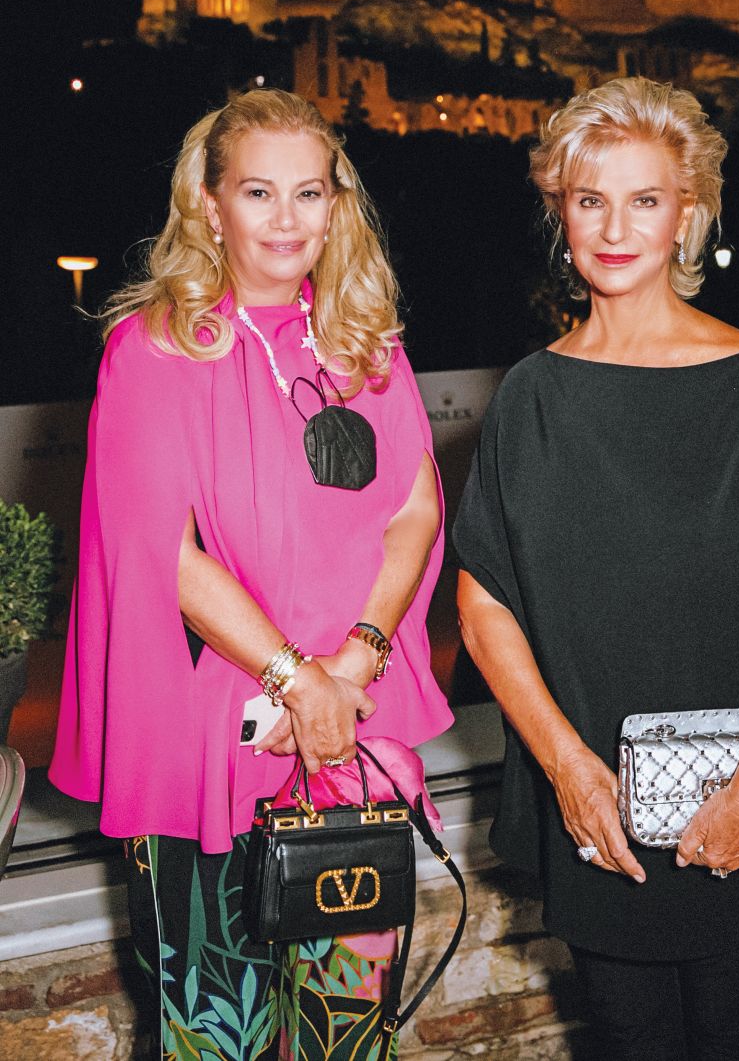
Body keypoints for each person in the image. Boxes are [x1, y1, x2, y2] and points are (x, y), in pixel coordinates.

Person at [454, 78, 739, 1061]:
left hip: (738, 780)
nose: (615, 227)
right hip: (594, 789)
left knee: (735, 1032)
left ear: (689, 213)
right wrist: (568, 769)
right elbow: (484, 604)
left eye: (644, 199)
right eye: (590, 199)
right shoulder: (530, 397)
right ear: (561, 214)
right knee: (628, 1036)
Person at [50, 89, 452, 1059]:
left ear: (336, 202)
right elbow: (163, 552)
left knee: (348, 1032)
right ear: (210, 202)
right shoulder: (152, 350)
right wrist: (298, 679)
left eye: (308, 192)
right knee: (213, 1034)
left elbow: (415, 510)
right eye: (258, 191)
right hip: (207, 744)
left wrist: (352, 663)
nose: (286, 218)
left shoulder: (367, 342)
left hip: (350, 731)